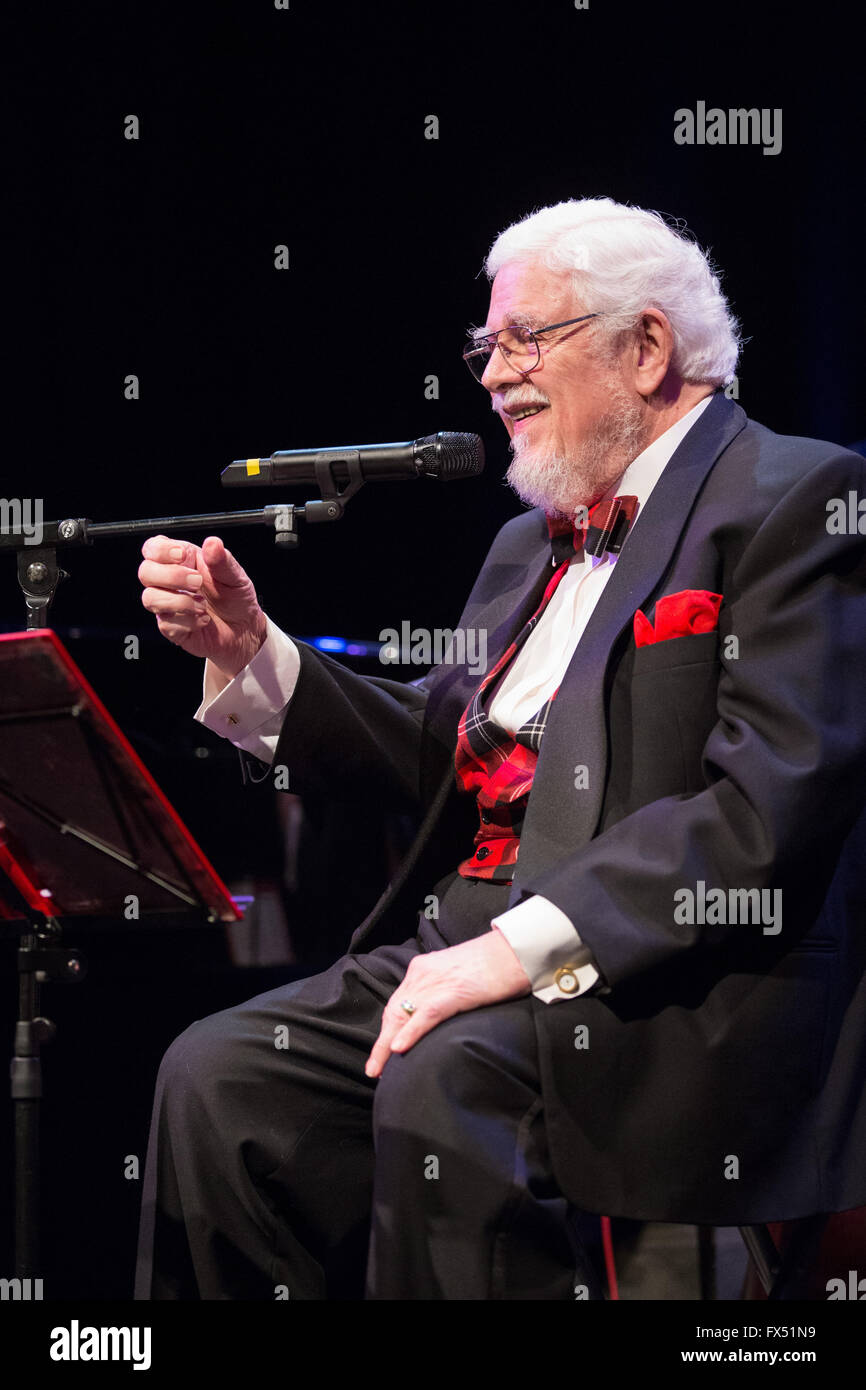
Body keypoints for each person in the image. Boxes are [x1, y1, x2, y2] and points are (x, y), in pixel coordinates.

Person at [134, 197, 866, 1301]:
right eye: (486, 345)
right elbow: (453, 756)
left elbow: (763, 805)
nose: (489, 373)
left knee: (442, 1081)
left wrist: (516, 950)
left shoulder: (797, 496)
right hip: (466, 947)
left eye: (525, 338)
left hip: (662, 981)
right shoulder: (529, 539)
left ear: (646, 347)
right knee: (217, 1074)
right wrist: (257, 655)